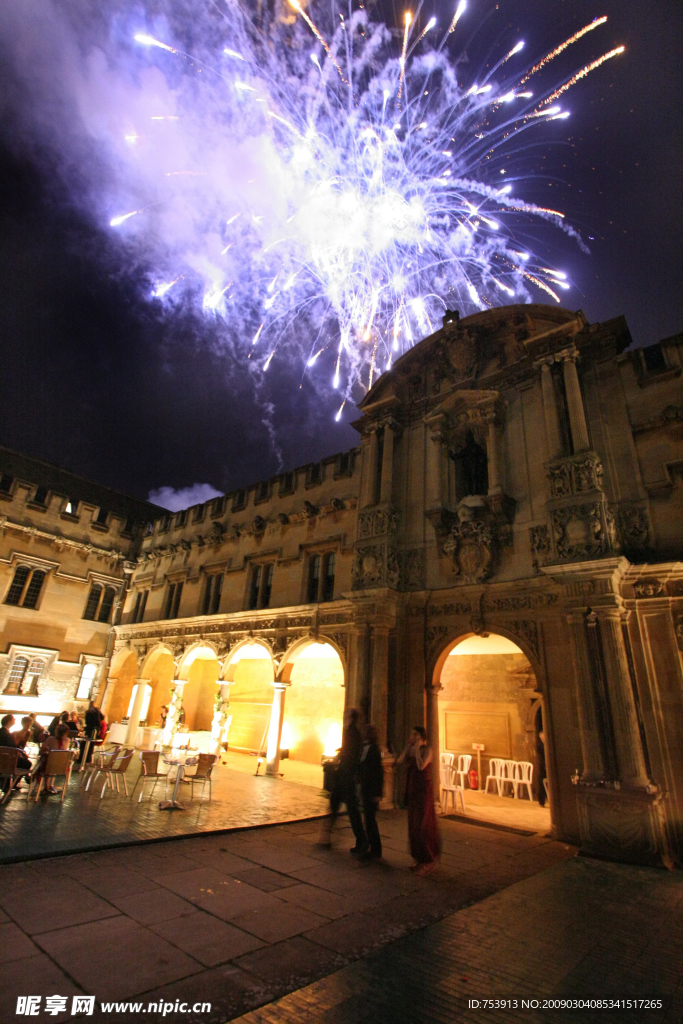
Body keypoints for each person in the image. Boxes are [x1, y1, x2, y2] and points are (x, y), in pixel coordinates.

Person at [319, 707, 368, 854]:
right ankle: (326, 838)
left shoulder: (351, 732)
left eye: (347, 715)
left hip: (346, 776)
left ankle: (361, 841)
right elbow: (351, 751)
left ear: (351, 718)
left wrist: (344, 758)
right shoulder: (352, 732)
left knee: (350, 809)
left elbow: (352, 754)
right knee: (336, 806)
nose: (345, 717)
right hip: (345, 775)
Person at [398, 726, 441, 875]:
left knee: (423, 823)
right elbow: (400, 760)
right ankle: (418, 857)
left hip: (423, 790)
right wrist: (407, 747)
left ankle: (428, 858)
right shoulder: (412, 748)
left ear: (421, 736)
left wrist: (416, 750)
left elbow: (421, 766)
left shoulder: (428, 750)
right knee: (414, 824)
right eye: (411, 734)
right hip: (413, 788)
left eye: (414, 734)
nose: (412, 737)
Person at [358, 724, 384, 861]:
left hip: (371, 790)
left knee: (370, 820)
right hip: (365, 788)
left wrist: (378, 793)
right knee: (368, 820)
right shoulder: (365, 748)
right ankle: (370, 846)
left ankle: (376, 849)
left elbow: (378, 773)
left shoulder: (373, 750)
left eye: (365, 732)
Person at [35, 723, 71, 794]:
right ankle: (50, 785)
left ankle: (45, 785)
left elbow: (41, 751)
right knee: (55, 760)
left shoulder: (50, 739)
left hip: (49, 766)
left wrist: (46, 750)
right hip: (62, 767)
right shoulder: (67, 740)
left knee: (46, 760)